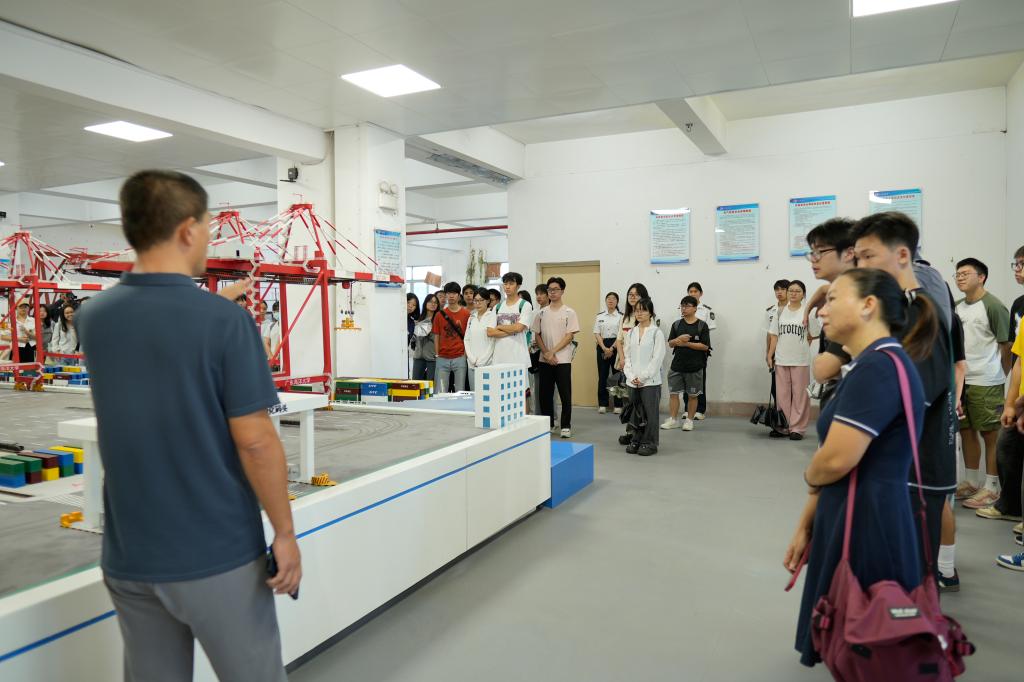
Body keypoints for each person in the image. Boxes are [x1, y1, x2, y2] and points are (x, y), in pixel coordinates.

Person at [75, 170, 298, 681]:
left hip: (130, 556)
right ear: (187, 230)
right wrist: (284, 533)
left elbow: (157, 333)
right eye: (209, 227)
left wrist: (217, 308)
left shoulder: (94, 318)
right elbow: (256, 442)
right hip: (215, 553)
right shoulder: (226, 324)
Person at [785, 267, 926, 668]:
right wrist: (808, 521)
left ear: (868, 305)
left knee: (867, 641)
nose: (822, 311)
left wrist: (810, 475)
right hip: (855, 509)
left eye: (832, 299)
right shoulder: (874, 363)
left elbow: (835, 459)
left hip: (867, 521)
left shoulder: (879, 368)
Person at [852, 211, 954, 573]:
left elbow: (909, 400)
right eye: (857, 258)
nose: (861, 266)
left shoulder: (921, 315)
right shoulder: (900, 311)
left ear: (902, 255)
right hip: (897, 470)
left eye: (868, 256)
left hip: (913, 473)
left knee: (905, 582)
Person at [953, 257, 1012, 509]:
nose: (960, 277)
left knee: (990, 434)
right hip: (961, 381)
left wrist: (1000, 374)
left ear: (981, 277)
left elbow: (1006, 345)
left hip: (986, 381)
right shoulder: (956, 307)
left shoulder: (994, 306)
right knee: (965, 431)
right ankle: (971, 481)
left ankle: (992, 486)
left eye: (965, 273)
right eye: (957, 274)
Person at [981, 246, 1024, 526]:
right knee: (1007, 447)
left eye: (1023, 264)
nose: (1017, 270)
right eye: (1015, 264)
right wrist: (1011, 403)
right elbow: (1018, 359)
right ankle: (1009, 505)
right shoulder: (1019, 306)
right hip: (1020, 398)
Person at [804, 219, 857, 406]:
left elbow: (823, 370)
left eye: (820, 251)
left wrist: (820, 361)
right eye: (812, 253)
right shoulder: (843, 290)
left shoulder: (854, 298)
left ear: (849, 253)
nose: (814, 259)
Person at [767, 280, 820, 440]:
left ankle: (797, 428)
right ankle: (783, 426)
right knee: (782, 395)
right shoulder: (779, 312)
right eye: (791, 290)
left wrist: (802, 346)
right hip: (781, 358)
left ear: (803, 294)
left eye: (797, 291)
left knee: (800, 395)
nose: (793, 293)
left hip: (800, 360)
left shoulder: (807, 312)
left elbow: (814, 334)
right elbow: (774, 335)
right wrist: (770, 355)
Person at [534, 277, 580, 438]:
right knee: (545, 394)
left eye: (555, 289)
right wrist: (546, 353)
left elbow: (569, 336)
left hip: (562, 359)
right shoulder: (541, 313)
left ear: (562, 291)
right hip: (544, 359)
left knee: (565, 394)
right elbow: (537, 335)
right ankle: (549, 424)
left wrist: (552, 352)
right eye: (549, 289)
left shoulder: (569, 312)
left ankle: (566, 426)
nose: (552, 292)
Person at [621, 297, 665, 456]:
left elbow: (657, 358)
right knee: (636, 412)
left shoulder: (656, 333)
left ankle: (650, 442)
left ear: (650, 313)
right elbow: (627, 356)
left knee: (650, 413)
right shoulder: (631, 332)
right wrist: (631, 375)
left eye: (643, 310)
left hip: (650, 382)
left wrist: (643, 377)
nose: (639, 313)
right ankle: (636, 439)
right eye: (637, 310)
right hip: (632, 381)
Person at [662, 296, 711, 432]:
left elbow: (705, 346)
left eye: (687, 306)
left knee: (692, 395)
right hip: (677, 366)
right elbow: (671, 343)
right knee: (673, 393)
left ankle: (689, 421)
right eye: (682, 306)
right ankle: (673, 419)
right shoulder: (676, 324)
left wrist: (687, 343)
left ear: (695, 308)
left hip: (695, 366)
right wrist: (678, 339)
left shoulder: (702, 325)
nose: (684, 308)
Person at [488, 272, 534, 411]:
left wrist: (500, 326)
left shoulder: (524, 305)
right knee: (501, 394)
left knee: (521, 393)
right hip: (500, 357)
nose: (507, 287)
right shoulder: (497, 307)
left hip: (518, 357)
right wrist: (512, 329)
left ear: (518, 286)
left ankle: (524, 421)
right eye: (505, 283)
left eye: (511, 283)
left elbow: (520, 328)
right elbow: (490, 332)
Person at [433, 281, 470, 394]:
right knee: (440, 391)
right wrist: (437, 354)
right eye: (448, 293)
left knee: (460, 390)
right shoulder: (439, 315)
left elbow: (468, 337)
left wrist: (465, 354)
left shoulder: (466, 314)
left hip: (460, 356)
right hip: (442, 357)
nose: (451, 296)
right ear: (446, 295)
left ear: (459, 296)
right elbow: (436, 336)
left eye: (454, 293)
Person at [686, 282, 716, 419]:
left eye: (695, 291)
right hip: (685, 347)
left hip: (700, 348)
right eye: (690, 291)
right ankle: (687, 409)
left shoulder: (706, 310)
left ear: (701, 293)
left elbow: (708, 330)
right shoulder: (682, 308)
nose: (693, 294)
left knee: (699, 379)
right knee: (686, 379)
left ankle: (700, 409)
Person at [594, 292, 622, 414]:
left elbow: (621, 334)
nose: (611, 300)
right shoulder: (600, 316)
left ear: (617, 302)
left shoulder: (621, 316)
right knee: (603, 376)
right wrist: (604, 348)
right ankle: (602, 404)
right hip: (602, 345)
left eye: (613, 299)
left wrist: (611, 348)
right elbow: (596, 333)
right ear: (605, 301)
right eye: (608, 298)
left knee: (617, 376)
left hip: (617, 345)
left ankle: (618, 405)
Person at [465, 290, 496, 391]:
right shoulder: (471, 318)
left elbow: (493, 341)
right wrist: (471, 358)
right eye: (475, 300)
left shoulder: (492, 316)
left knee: (487, 394)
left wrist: (483, 360)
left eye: (481, 300)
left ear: (487, 301)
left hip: (488, 364)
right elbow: (466, 339)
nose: (477, 303)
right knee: (474, 394)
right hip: (472, 364)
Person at [412, 293, 438, 382]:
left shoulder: (438, 319)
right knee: (415, 383)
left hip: (432, 357)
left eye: (435, 302)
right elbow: (414, 338)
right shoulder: (419, 318)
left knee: (431, 385)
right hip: (418, 356)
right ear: (425, 303)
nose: (433, 304)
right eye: (430, 301)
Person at [406, 293, 420, 372]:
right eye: (408, 302)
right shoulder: (394, 317)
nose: (410, 306)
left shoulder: (411, 322)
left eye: (414, 305)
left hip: (404, 353)